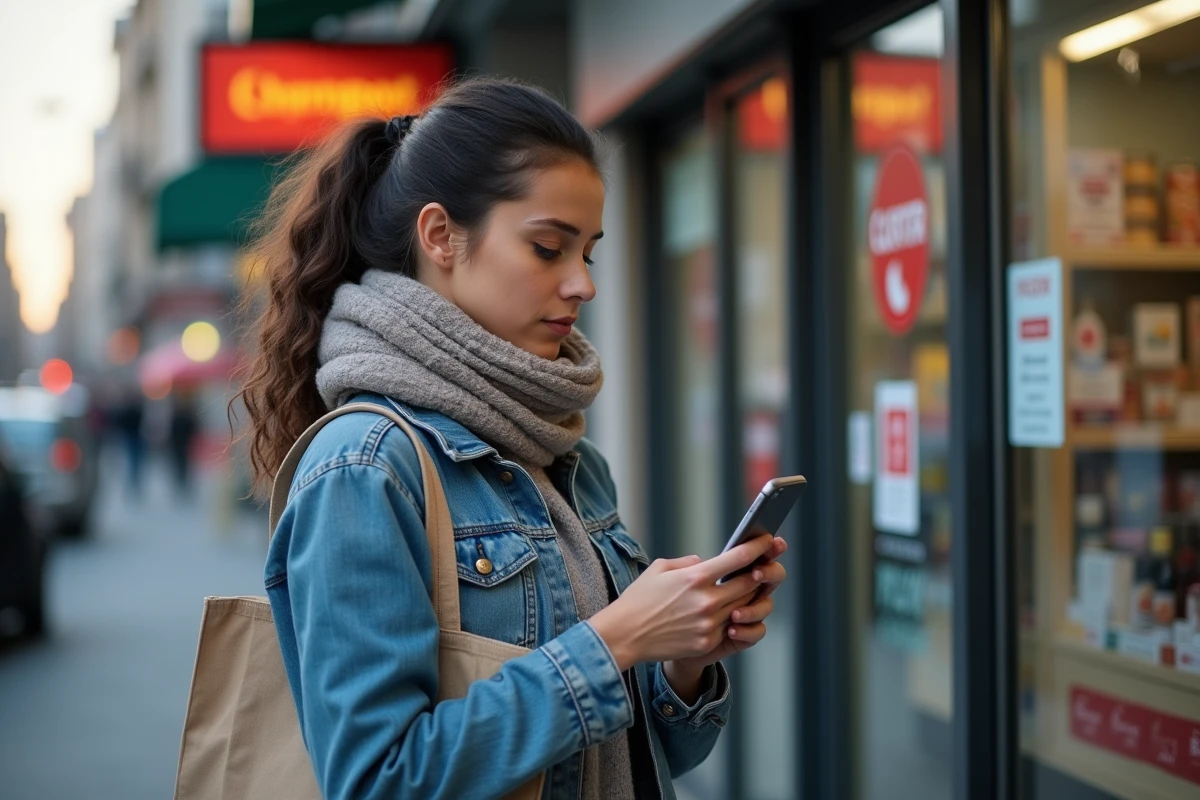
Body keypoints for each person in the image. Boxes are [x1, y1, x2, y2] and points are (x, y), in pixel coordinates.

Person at [235, 78, 789, 800]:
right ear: (439, 237)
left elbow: (645, 755)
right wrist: (616, 639)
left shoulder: (567, 455)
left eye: (587, 252)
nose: (582, 284)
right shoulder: (366, 466)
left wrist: (682, 654)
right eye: (548, 247)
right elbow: (378, 780)